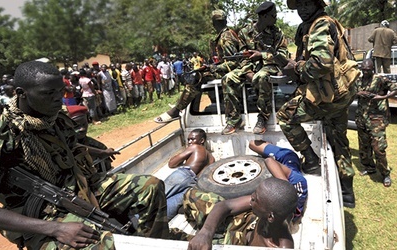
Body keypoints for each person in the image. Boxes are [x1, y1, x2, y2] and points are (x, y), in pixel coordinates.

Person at [0, 61, 169, 249]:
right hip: (40, 216)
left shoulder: (54, 119)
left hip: (78, 188)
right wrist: (55, 229)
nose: (58, 99)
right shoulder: (4, 137)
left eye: (60, 92)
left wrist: (100, 152)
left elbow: (71, 145)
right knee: (102, 244)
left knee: (150, 187)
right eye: (48, 94)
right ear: (21, 93)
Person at [277, 0, 360, 208]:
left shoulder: (320, 25)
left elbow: (320, 64)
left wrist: (295, 69)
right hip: (341, 95)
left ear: (317, 4)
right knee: (339, 140)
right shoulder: (318, 24)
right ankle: (347, 194)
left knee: (285, 117)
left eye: (307, 3)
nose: (303, 9)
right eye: (300, 5)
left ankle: (311, 161)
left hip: (329, 95)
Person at [154, 9, 242, 123]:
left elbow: (233, 62)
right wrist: (211, 66)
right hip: (227, 70)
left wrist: (212, 68)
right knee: (197, 74)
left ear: (214, 23)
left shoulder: (226, 36)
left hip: (233, 72)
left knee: (197, 77)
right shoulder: (226, 34)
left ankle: (176, 110)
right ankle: (178, 107)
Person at [221, 2, 289, 135]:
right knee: (228, 78)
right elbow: (242, 56)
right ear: (263, 16)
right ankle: (234, 119)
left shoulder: (277, 33)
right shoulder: (245, 32)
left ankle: (263, 117)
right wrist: (247, 71)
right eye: (273, 16)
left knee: (261, 77)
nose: (275, 18)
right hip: (249, 66)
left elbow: (282, 55)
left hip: (270, 65)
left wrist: (261, 55)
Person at [185, 177, 298, 249]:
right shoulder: (269, 207)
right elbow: (226, 206)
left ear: (270, 216)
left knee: (183, 241)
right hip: (245, 223)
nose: (251, 197)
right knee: (191, 195)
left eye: (255, 199)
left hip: (237, 243)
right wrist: (206, 232)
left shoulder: (281, 247)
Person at [355, 59, 397, 187]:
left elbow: (395, 88)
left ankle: (385, 174)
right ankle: (369, 167)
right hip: (362, 118)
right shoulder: (359, 80)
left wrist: (382, 97)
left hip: (376, 119)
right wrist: (359, 93)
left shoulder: (379, 79)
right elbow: (353, 92)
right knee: (364, 147)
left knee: (379, 149)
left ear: (373, 68)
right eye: (363, 69)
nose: (365, 71)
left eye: (368, 69)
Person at [249, 140, 307, 222]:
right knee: (252, 144)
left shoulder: (283, 211)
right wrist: (285, 186)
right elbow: (269, 161)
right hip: (288, 159)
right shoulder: (298, 183)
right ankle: (268, 145)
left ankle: (268, 146)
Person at [164, 129, 215, 220]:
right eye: (188, 140)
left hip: (183, 174)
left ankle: (136, 218)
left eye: (192, 139)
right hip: (193, 185)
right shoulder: (211, 158)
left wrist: (183, 157)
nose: (190, 142)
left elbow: (171, 164)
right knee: (172, 203)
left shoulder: (195, 147)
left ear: (202, 141)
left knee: (158, 196)